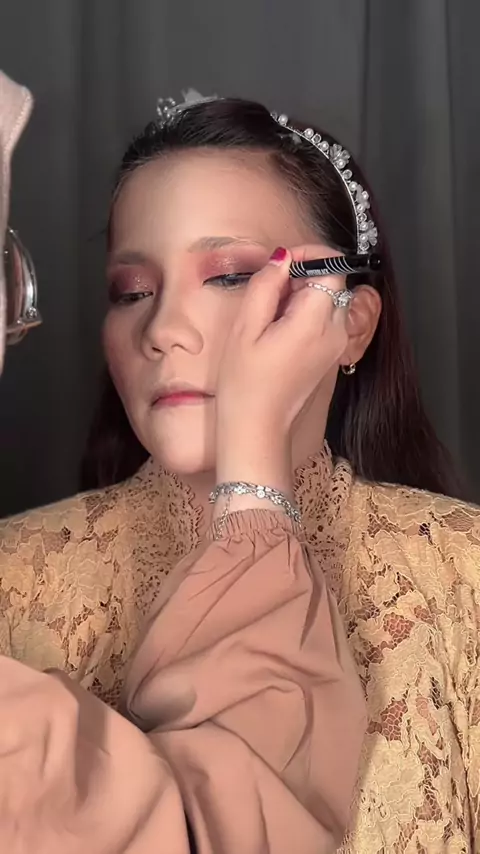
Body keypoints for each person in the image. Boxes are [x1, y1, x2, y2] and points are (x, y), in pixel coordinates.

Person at [1, 88, 480, 853]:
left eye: (228, 275)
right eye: (132, 292)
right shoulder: (13, 580)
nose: (162, 329)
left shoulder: (464, 573)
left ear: (351, 322)